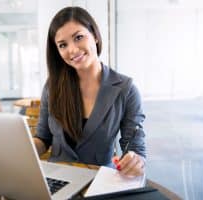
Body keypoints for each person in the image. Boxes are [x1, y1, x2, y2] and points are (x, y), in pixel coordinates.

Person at [33, 6, 146, 177]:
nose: (72, 49)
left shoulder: (126, 90)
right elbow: (43, 138)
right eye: (63, 45)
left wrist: (135, 160)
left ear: (95, 35)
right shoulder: (53, 86)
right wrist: (22, 151)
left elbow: (135, 148)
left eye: (78, 37)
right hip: (58, 177)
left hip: (100, 181)